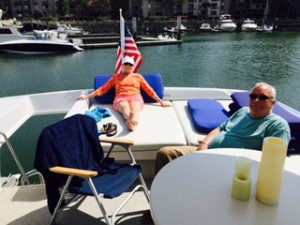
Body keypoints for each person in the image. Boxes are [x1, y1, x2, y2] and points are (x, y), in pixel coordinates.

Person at [142, 82, 291, 224]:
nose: (256, 100)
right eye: (253, 96)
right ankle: (160, 203)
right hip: (207, 151)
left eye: (263, 97)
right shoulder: (243, 111)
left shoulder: (277, 125)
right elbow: (219, 129)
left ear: (273, 102)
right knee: (165, 153)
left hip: (231, 165)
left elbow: (272, 162)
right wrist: (204, 144)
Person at [78, 56, 170, 131]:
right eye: (126, 64)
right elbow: (103, 89)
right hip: (121, 97)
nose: (128, 66)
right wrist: (86, 97)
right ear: (122, 65)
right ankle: (130, 121)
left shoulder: (138, 76)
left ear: (133, 66)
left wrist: (161, 102)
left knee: (135, 110)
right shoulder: (116, 77)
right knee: (125, 107)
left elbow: (149, 90)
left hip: (136, 97)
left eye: (130, 64)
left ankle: (132, 122)